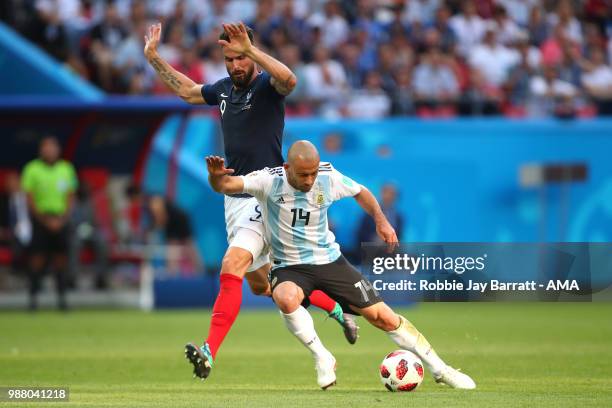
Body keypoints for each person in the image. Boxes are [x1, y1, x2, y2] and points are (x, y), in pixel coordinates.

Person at [144, 22, 357, 379]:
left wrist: (252, 50)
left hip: (266, 192)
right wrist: (153, 57)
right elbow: (186, 91)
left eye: (241, 59)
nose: (235, 66)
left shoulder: (266, 86)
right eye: (229, 60)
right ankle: (336, 313)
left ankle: (209, 351)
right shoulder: (224, 90)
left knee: (232, 264)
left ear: (252, 56)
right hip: (235, 197)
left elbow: (290, 80)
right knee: (264, 285)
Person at [204, 141, 476, 390]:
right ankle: (322, 357)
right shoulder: (267, 181)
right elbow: (226, 187)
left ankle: (442, 370)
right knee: (285, 298)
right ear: (287, 168)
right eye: (303, 175)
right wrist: (216, 178)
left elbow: (362, 192)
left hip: (330, 261)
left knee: (384, 318)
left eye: (312, 173)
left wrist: (381, 220)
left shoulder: (327, 178)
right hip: (290, 266)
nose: (310, 180)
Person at [21, 136, 77, 311]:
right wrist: (45, 220)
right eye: (46, 148)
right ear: (41, 150)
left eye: (53, 148)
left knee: (61, 260)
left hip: (60, 219)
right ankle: (33, 299)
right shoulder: (32, 169)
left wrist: (62, 219)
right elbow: (29, 199)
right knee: (37, 259)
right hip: (40, 220)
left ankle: (62, 300)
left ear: (58, 150)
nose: (49, 151)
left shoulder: (66, 169)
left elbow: (70, 197)